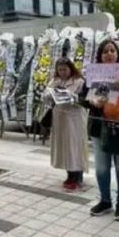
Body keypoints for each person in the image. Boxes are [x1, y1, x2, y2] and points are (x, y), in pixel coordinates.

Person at [83, 40, 119, 221]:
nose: (109, 54)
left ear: (117, 54)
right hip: (100, 127)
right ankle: (105, 200)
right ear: (100, 55)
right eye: (105, 51)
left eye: (112, 50)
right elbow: (85, 96)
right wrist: (92, 101)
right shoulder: (94, 74)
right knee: (101, 168)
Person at [47, 58, 88, 190]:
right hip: (60, 118)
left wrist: (71, 96)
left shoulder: (80, 82)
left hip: (74, 119)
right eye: (60, 70)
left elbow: (85, 100)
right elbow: (45, 95)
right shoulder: (55, 81)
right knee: (64, 147)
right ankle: (70, 174)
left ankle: (77, 175)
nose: (62, 72)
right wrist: (51, 93)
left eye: (65, 69)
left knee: (74, 146)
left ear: (71, 68)